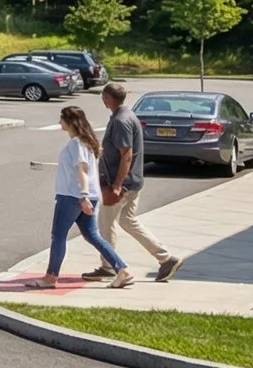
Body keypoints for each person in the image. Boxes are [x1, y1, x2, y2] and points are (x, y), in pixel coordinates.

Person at [92, 83, 182, 283]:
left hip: (121, 185)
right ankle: (166, 258)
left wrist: (116, 185)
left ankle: (108, 266)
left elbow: (126, 155)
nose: (103, 100)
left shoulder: (121, 121)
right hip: (133, 182)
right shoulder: (127, 116)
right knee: (128, 221)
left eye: (104, 97)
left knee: (106, 225)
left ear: (108, 98)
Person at [33, 104, 130, 289]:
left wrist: (83, 196)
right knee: (92, 235)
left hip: (72, 196)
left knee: (58, 236)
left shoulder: (76, 143)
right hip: (87, 195)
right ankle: (122, 269)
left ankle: (50, 277)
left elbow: (82, 170)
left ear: (69, 122)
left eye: (61, 118)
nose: (59, 122)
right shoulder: (88, 142)